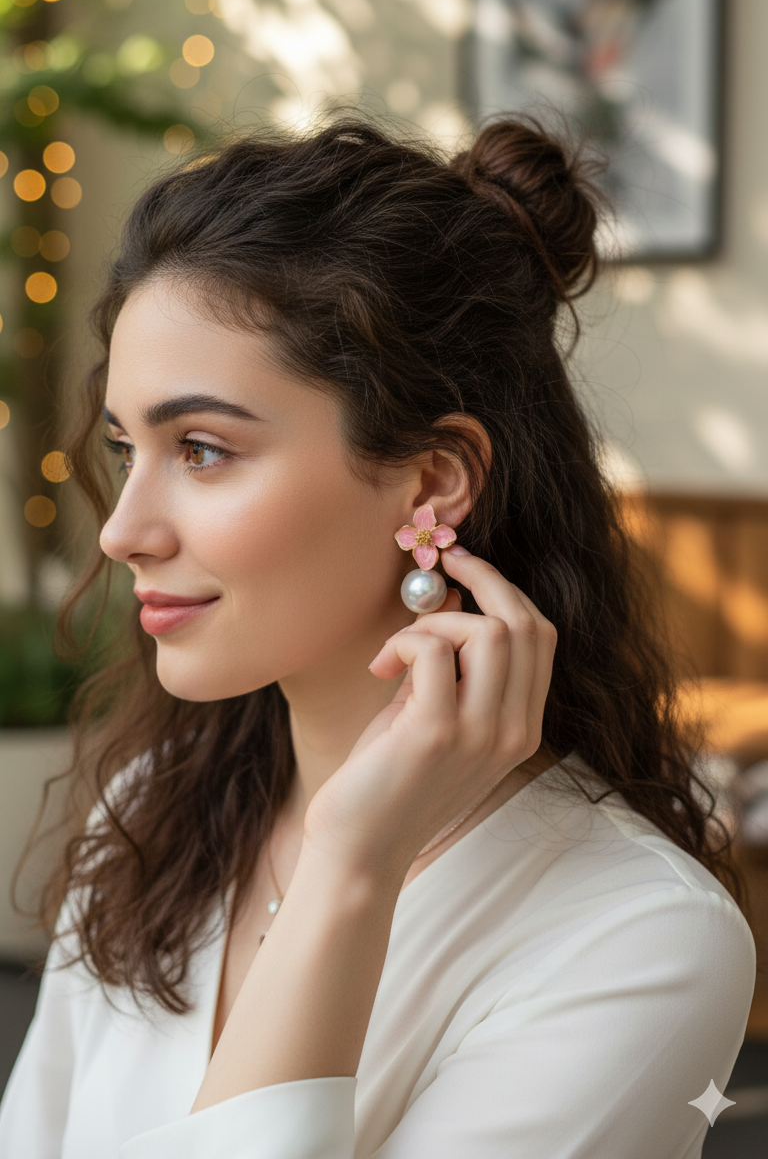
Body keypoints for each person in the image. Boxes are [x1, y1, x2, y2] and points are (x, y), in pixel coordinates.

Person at [0, 116, 755, 1158]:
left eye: (206, 449)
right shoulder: (148, 814)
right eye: (128, 449)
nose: (124, 530)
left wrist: (352, 867)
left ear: (433, 480)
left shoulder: (639, 937)